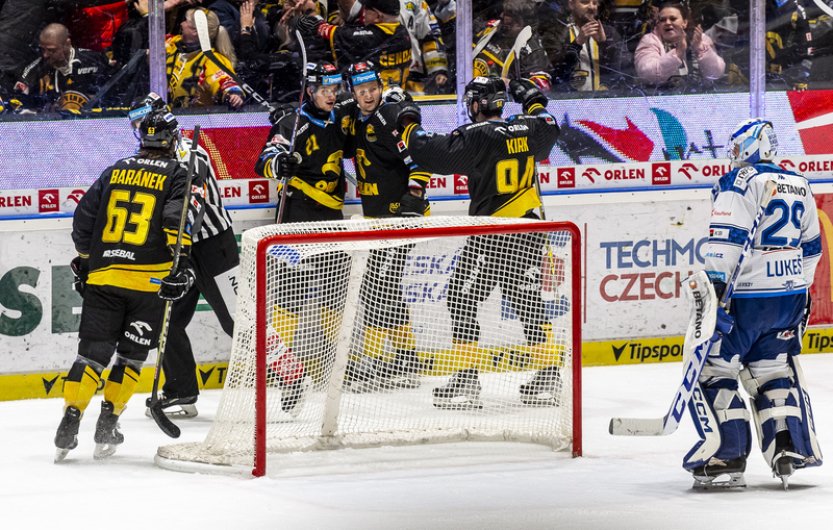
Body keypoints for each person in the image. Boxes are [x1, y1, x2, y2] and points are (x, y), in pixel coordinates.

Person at [395, 75, 560, 409]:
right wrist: (532, 98)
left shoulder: (477, 135)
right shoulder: (528, 127)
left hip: (493, 233)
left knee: (460, 298)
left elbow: (427, 153)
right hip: (528, 228)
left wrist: (408, 118)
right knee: (526, 301)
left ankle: (467, 379)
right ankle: (549, 374)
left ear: (476, 105)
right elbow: (549, 124)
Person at [55, 102, 200, 462]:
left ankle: (69, 422)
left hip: (104, 279)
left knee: (90, 355)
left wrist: (88, 263)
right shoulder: (178, 173)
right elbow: (174, 220)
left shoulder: (114, 170)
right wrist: (178, 265)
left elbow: (83, 220)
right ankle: (108, 424)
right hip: (147, 284)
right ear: (171, 139)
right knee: (131, 358)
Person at [683, 118, 823, 488]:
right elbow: (812, 248)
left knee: (714, 369)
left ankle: (726, 454)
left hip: (746, 298)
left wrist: (713, 286)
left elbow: (727, 241)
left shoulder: (740, 182)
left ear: (750, 147)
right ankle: (786, 444)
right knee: (772, 370)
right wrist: (796, 285)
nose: (732, 156)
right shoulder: (800, 183)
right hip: (790, 296)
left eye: (735, 149)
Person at [124, 93, 238, 419]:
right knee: (166, 320)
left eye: (143, 124)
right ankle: (181, 389)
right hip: (182, 249)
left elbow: (193, 210)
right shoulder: (153, 156)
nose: (141, 133)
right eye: (137, 127)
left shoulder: (192, 155)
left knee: (239, 322)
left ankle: (290, 372)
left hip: (214, 247)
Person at [253, 61, 351, 413]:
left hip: (332, 217)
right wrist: (279, 164)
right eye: (325, 88)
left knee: (334, 293)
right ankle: (286, 370)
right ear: (310, 89)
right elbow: (264, 160)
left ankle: (336, 365)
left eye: (335, 87)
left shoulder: (341, 116)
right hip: (297, 215)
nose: (331, 93)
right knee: (289, 297)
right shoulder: (294, 122)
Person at [341, 61, 431, 391]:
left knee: (377, 286)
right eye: (361, 91)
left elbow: (420, 158)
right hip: (377, 216)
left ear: (380, 86)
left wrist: (414, 197)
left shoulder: (388, 117)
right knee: (385, 288)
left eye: (372, 89)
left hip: (398, 218)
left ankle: (379, 362)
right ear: (354, 92)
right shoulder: (356, 116)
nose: (368, 96)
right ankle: (406, 359)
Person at [296, 0, 413, 89]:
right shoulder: (402, 32)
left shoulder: (365, 38)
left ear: (378, 16)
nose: (364, 13)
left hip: (372, 106)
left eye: (367, 9)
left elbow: (319, 28)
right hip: (395, 97)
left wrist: (310, 11)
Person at [14, 22, 110, 113]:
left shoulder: (94, 60)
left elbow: (114, 93)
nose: (45, 55)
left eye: (51, 50)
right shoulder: (35, 70)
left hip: (95, 125)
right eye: (42, 49)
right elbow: (17, 100)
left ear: (67, 44)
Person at [633, 1, 725, 90]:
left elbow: (717, 73)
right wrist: (677, 54)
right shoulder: (649, 40)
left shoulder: (699, 39)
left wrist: (700, 49)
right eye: (662, 20)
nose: (668, 23)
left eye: (673, 19)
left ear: (685, 22)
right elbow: (647, 75)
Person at [165, 7, 244, 109]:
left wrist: (234, 94)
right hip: (165, 114)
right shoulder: (174, 42)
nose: (181, 24)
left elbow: (224, 79)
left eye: (185, 21)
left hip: (193, 118)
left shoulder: (211, 58)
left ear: (195, 31)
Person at [472, 0, 552, 92]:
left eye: (507, 14)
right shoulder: (491, 28)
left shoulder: (533, 50)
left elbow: (542, 86)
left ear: (519, 23)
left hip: (501, 102)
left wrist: (507, 84)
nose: (501, 16)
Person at [550, 0, 631, 92]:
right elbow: (555, 74)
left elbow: (623, 72)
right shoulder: (558, 33)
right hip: (569, 102)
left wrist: (604, 44)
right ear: (571, 4)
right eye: (585, 2)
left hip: (606, 102)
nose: (592, 7)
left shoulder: (609, 33)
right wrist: (577, 43)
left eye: (595, 3)